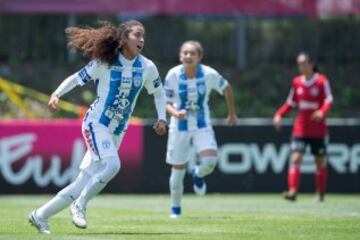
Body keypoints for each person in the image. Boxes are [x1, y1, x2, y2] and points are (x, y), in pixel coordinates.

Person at [29, 20, 167, 234]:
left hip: (117, 131)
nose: (141, 40)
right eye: (137, 35)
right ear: (123, 39)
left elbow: (159, 93)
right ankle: (80, 205)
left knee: (81, 182)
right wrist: (56, 93)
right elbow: (77, 79)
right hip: (95, 124)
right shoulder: (105, 63)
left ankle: (40, 216)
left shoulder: (147, 67)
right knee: (113, 165)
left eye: (143, 36)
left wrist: (162, 118)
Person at [164, 40, 237, 218]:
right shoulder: (173, 74)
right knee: (178, 170)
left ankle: (198, 173)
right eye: (185, 53)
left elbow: (226, 88)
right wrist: (175, 113)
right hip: (179, 127)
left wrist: (232, 114)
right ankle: (175, 209)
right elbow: (165, 102)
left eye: (192, 53)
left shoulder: (209, 74)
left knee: (210, 162)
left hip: (202, 124)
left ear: (200, 57)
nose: (188, 56)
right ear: (180, 55)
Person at [273, 52, 333, 203]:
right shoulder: (297, 82)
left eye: (304, 63)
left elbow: (329, 99)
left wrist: (322, 111)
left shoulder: (321, 81)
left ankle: (320, 194)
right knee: (296, 158)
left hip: (318, 130)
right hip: (300, 129)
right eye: (299, 64)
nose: (301, 66)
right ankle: (293, 191)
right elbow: (290, 103)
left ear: (312, 64)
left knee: (319, 161)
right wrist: (279, 114)